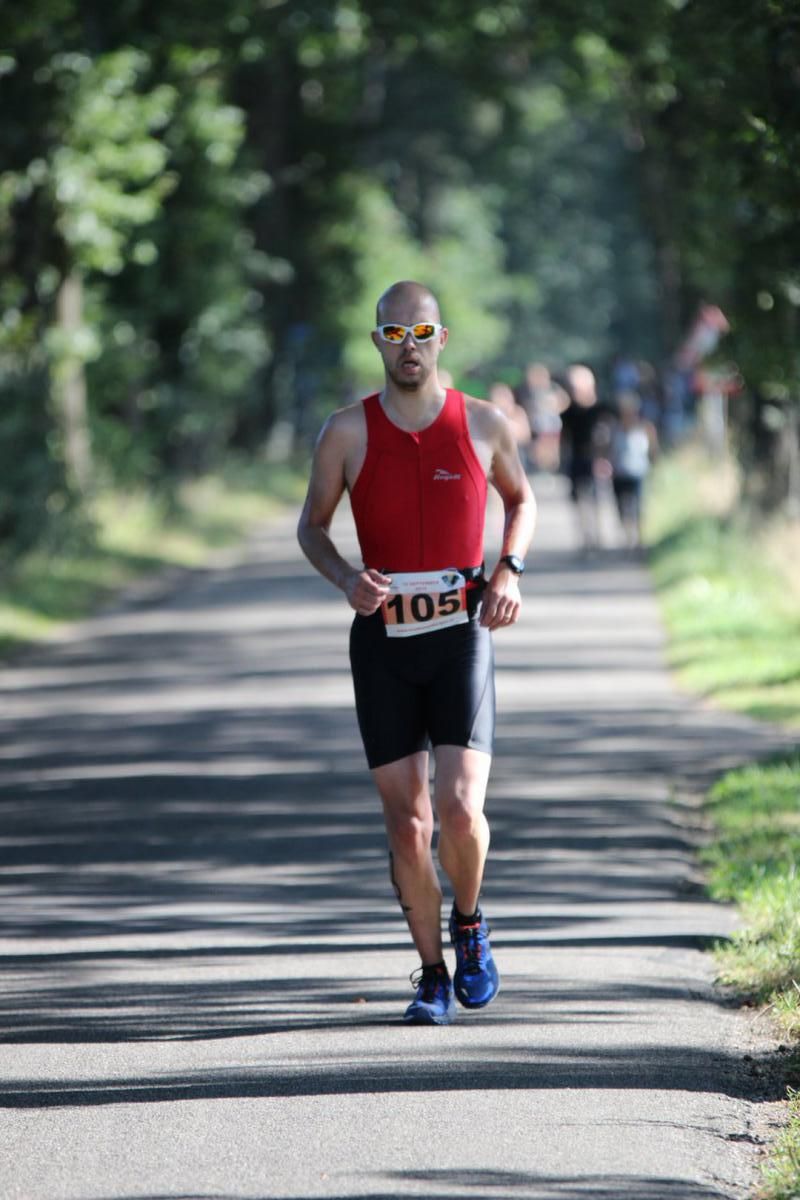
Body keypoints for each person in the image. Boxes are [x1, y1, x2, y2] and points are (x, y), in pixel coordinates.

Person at [297, 280, 536, 1025]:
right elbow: (312, 527)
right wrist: (345, 578)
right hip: (384, 641)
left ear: (442, 337)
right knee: (409, 826)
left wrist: (508, 571)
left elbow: (521, 502)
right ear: (377, 342)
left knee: (462, 811)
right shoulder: (345, 431)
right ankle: (432, 974)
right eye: (394, 334)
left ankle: (471, 923)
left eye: (421, 332)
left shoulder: (486, 423)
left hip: (462, 634)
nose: (409, 346)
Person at [609, 391, 659, 550]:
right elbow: (609, 450)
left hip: (639, 472)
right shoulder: (615, 428)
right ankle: (627, 536)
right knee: (621, 507)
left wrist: (655, 466)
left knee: (638, 505)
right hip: (620, 473)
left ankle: (638, 538)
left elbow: (653, 450)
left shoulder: (646, 428)